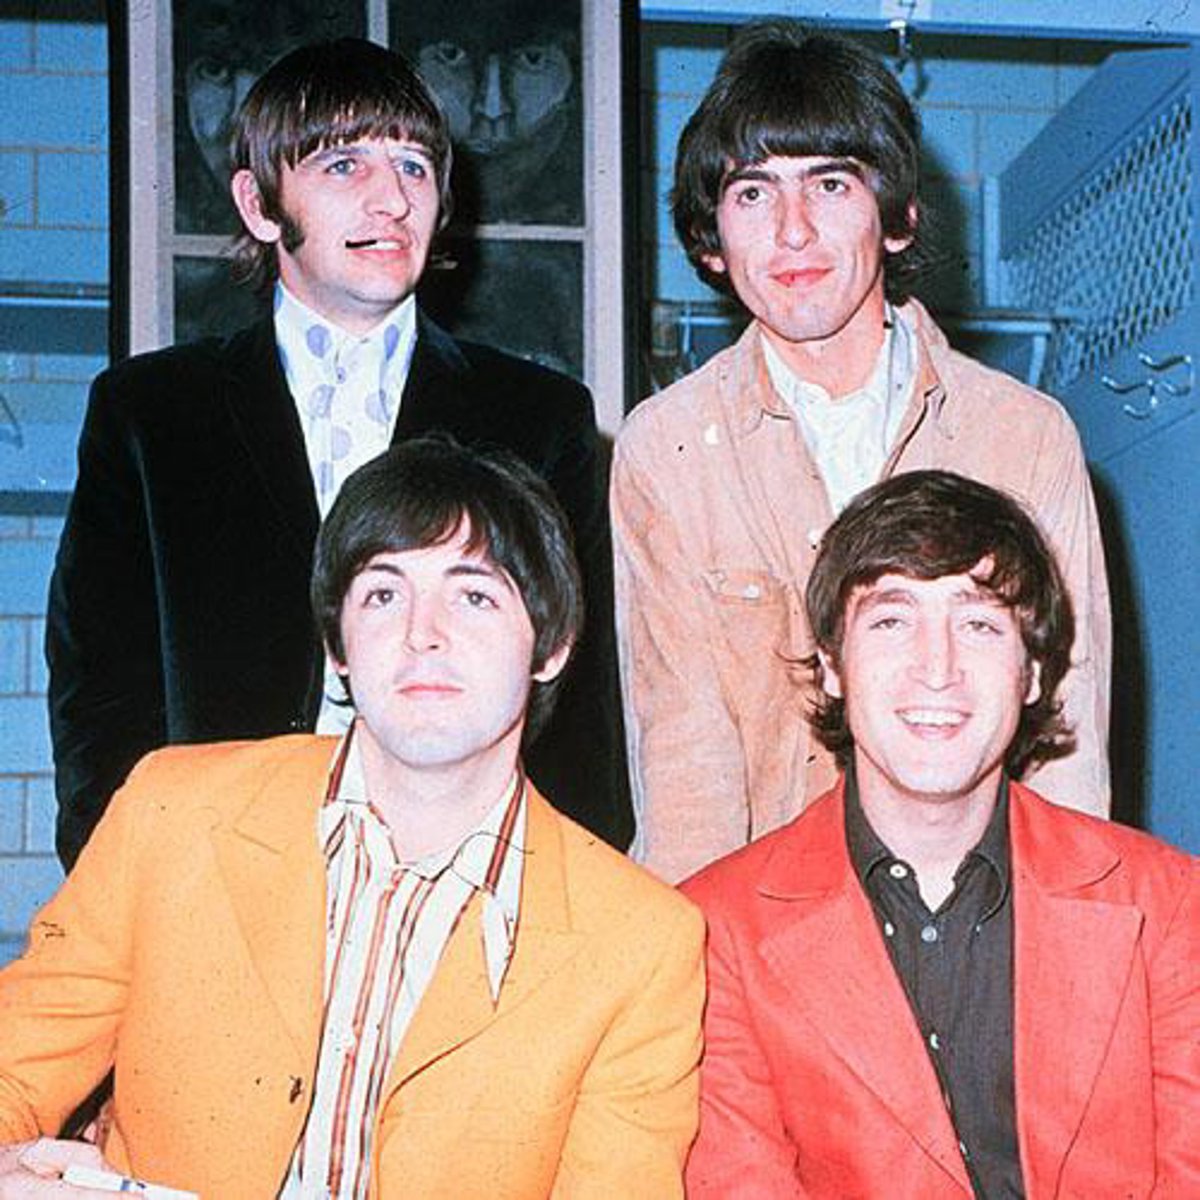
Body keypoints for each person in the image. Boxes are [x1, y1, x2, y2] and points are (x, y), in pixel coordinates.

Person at [1, 438, 704, 1199]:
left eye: (474, 596)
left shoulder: (642, 944)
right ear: (338, 646)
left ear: (552, 647)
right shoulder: (173, 812)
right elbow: (14, 1067)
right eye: (383, 595)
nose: (422, 633)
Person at [47, 37, 631, 871]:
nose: (391, 200)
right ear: (258, 204)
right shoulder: (150, 414)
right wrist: (129, 881)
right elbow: (96, 687)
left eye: (415, 168)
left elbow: (579, 701)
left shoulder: (540, 419)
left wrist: (559, 892)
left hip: (469, 878)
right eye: (344, 165)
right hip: (215, 878)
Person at [611, 20, 1111, 881]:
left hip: (978, 907)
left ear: (899, 218)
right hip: (770, 922)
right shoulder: (667, 447)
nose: (793, 231)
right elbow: (683, 763)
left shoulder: (1024, 436)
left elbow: (1068, 745)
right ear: (711, 240)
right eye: (753, 193)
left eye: (831, 184)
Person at [682, 470, 1199, 1198]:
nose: (937, 669)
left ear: (1032, 674)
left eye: (979, 624)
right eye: (892, 621)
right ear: (831, 666)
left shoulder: (1169, 904)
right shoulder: (712, 931)